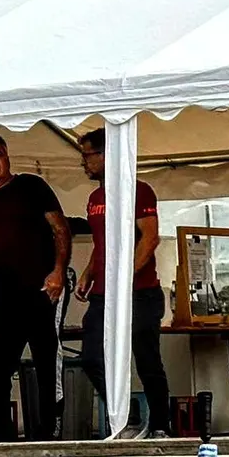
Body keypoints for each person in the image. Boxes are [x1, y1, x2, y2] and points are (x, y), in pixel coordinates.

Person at [0, 133, 72, 441]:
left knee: (46, 362)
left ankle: (48, 432)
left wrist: (58, 272)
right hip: (3, 294)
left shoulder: (31, 186)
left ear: (7, 158)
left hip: (43, 289)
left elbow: (60, 228)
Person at [73, 129, 170, 439]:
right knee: (90, 356)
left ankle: (160, 425)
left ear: (106, 155)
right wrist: (89, 273)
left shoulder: (138, 190)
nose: (83, 163)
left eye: (87, 156)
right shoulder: (94, 198)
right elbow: (103, 245)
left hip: (140, 292)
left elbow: (149, 238)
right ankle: (127, 414)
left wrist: (123, 278)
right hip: (103, 294)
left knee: (146, 357)